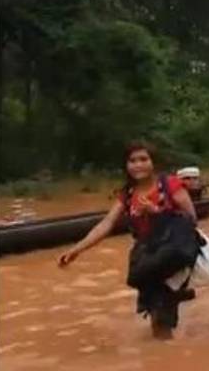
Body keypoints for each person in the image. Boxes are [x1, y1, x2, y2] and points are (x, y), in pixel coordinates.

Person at [58, 141, 199, 339]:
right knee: (153, 311)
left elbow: (191, 218)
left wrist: (156, 211)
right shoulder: (128, 194)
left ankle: (165, 359)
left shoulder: (170, 185)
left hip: (172, 251)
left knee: (160, 318)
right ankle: (172, 311)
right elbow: (106, 225)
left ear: (153, 162)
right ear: (126, 165)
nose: (138, 165)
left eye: (143, 159)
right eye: (132, 161)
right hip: (149, 255)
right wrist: (76, 250)